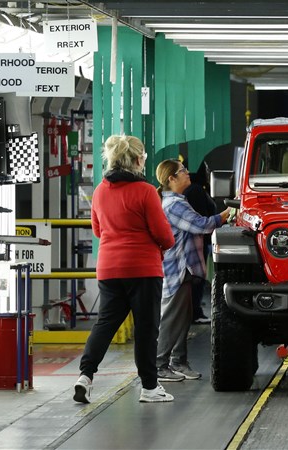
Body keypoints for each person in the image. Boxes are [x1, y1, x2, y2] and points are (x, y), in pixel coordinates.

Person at [74, 135, 175, 404]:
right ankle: (150, 388)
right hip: (143, 268)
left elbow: (97, 230)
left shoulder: (99, 191)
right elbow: (164, 235)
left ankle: (85, 376)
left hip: (108, 268)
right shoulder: (144, 192)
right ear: (137, 160)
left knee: (105, 324)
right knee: (145, 328)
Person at [154, 159, 231, 382]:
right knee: (171, 318)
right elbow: (202, 225)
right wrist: (226, 215)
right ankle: (159, 365)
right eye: (183, 171)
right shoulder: (174, 205)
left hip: (184, 267)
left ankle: (178, 361)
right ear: (172, 179)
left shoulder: (179, 200)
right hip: (177, 267)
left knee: (182, 317)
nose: (188, 174)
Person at [183, 162, 218, 324]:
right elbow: (202, 221)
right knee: (196, 278)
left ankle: (193, 311)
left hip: (196, 241)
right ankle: (194, 312)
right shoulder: (196, 191)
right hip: (197, 242)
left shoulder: (194, 190)